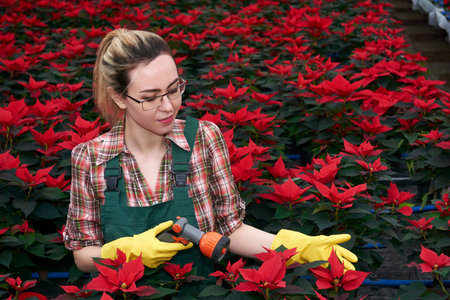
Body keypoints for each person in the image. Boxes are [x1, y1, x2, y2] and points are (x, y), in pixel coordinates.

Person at [63, 28, 358, 275]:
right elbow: (83, 255)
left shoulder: (203, 139)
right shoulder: (90, 159)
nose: (168, 106)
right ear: (119, 97)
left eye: (174, 88)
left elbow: (233, 230)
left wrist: (296, 248)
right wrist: (125, 252)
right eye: (150, 98)